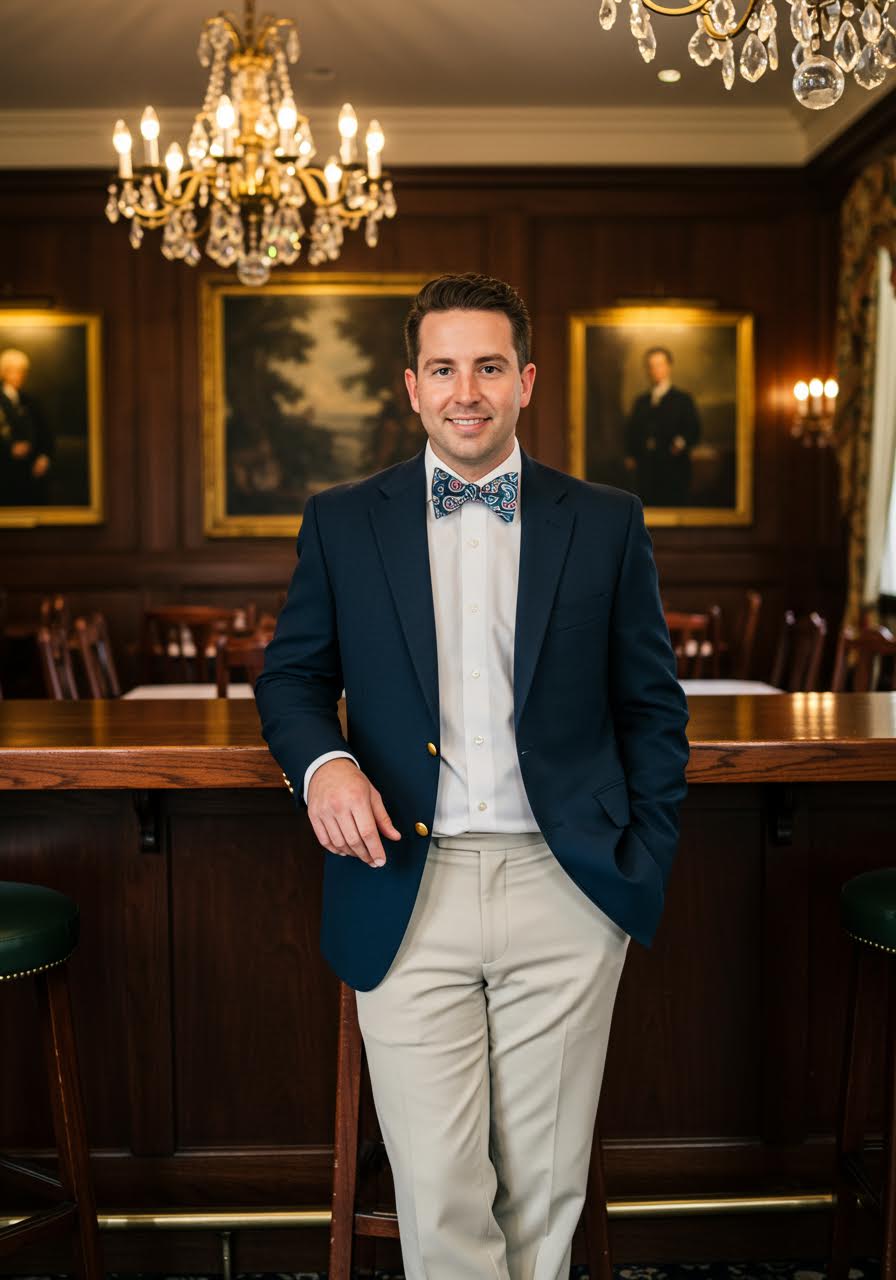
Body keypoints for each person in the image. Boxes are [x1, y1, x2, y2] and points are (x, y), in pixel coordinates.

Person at [255, 273, 689, 1280]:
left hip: (568, 886)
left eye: (488, 366)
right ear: (410, 386)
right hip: (405, 884)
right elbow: (292, 679)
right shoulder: (341, 520)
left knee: (542, 1195)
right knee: (441, 1196)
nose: (466, 389)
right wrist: (322, 766)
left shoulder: (606, 520)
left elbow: (651, 707)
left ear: (524, 380)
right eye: (443, 367)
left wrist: (639, 863)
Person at [623, 346, 701, 507]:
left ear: (668, 367)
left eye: (659, 365)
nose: (655, 370)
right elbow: (632, 432)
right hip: (646, 469)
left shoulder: (683, 399)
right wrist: (632, 454)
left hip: (673, 468)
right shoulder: (641, 401)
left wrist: (680, 443)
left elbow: (694, 429)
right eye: (651, 366)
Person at [0, 348, 54, 506]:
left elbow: (45, 433)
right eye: (13, 370)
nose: (19, 375)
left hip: (29, 472)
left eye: (22, 371)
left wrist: (43, 456)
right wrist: (9, 449)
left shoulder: (31, 401)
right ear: (3, 372)